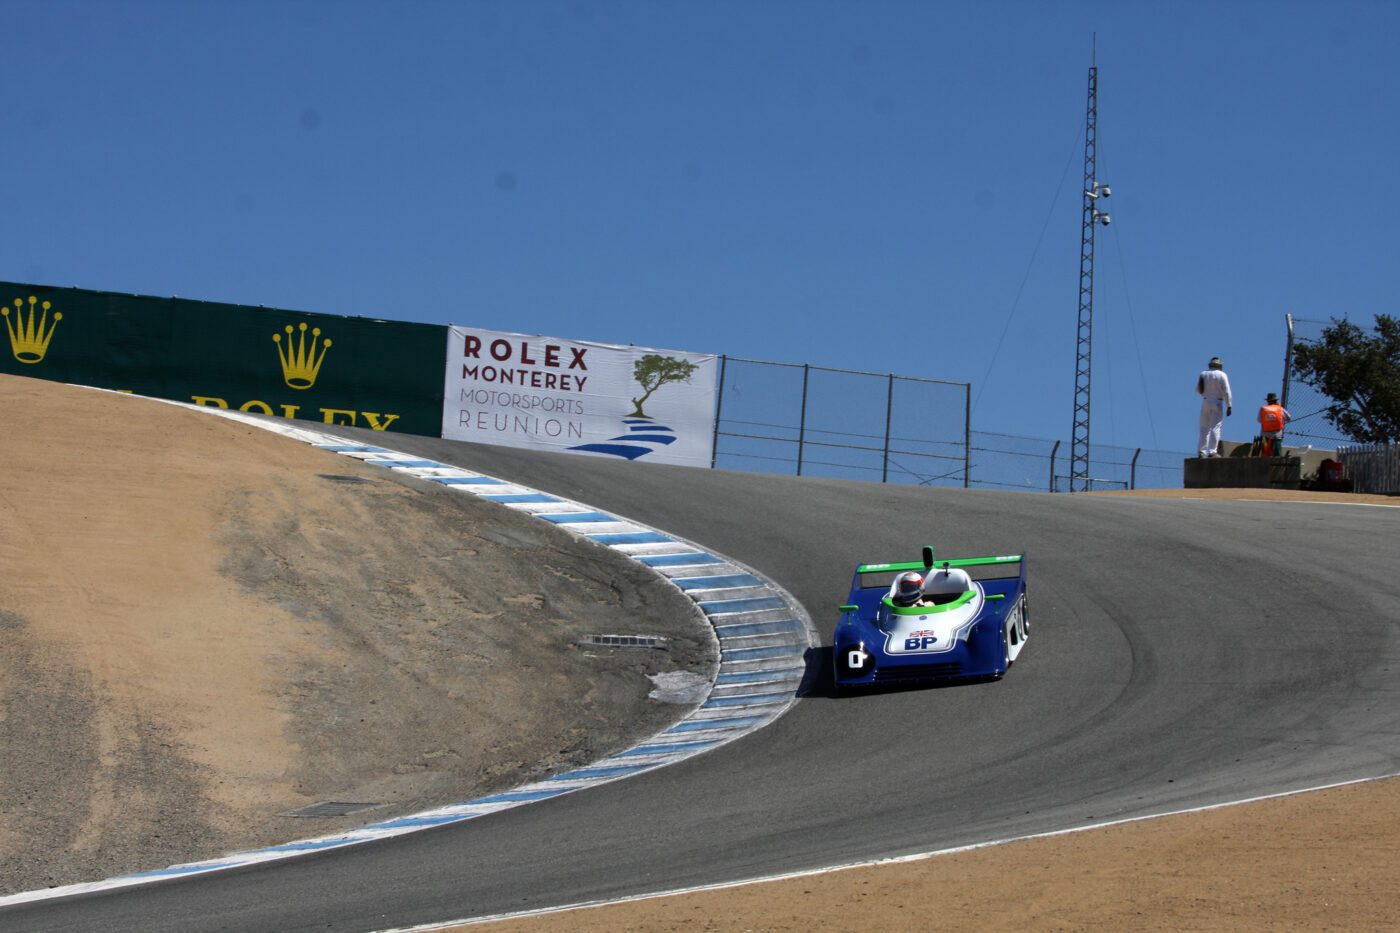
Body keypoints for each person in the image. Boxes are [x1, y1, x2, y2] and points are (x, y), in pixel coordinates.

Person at [1196, 356, 1233, 457]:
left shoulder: (1203, 374)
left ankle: (1201, 451)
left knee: (1204, 428)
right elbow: (1227, 391)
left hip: (1205, 401)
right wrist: (1229, 405)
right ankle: (1212, 451)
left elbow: (1198, 390)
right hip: (1217, 402)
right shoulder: (1222, 375)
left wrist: (1206, 394)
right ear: (1220, 365)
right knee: (1215, 427)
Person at [1257, 392, 1291, 456]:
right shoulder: (1280, 409)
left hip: (1265, 436)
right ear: (1276, 401)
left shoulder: (1263, 409)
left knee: (1264, 455)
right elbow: (1289, 417)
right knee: (1277, 455)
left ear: (1268, 401)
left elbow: (1259, 420)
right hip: (1276, 436)